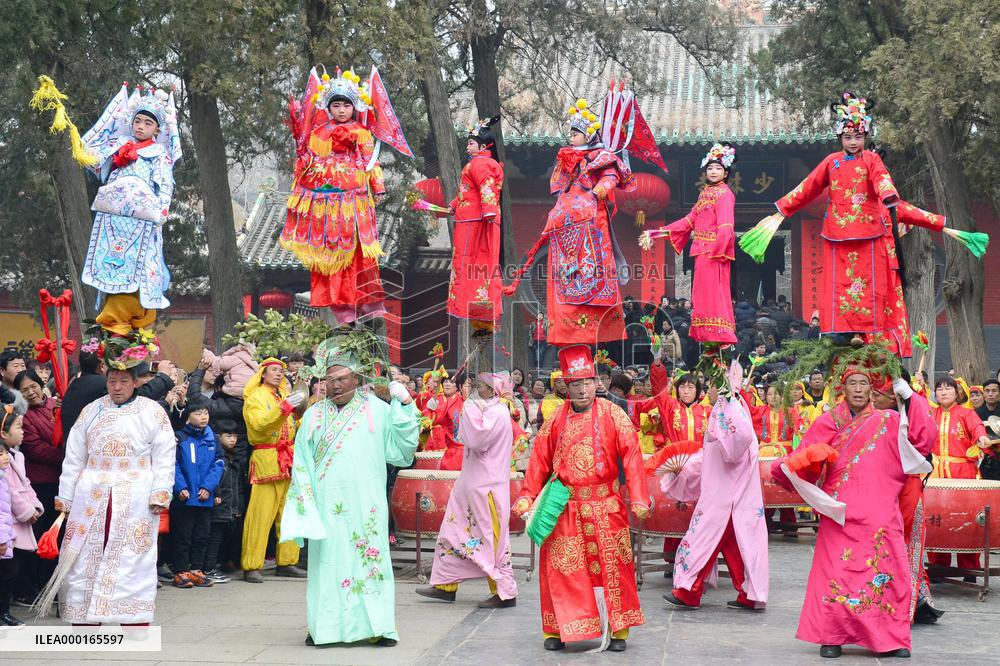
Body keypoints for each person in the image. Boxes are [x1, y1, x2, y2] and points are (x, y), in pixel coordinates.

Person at [771, 364, 935, 658]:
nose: (858, 389)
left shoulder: (889, 419)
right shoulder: (828, 420)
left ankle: (890, 638)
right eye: (852, 384)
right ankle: (831, 636)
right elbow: (804, 454)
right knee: (837, 570)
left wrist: (910, 398)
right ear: (842, 389)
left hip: (881, 509)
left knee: (885, 569)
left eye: (864, 383)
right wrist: (790, 465)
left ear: (872, 390)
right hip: (840, 510)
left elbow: (922, 440)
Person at [280, 338, 419, 647]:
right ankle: (323, 627)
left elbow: (401, 452)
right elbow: (300, 462)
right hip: (327, 506)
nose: (336, 385)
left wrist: (406, 405)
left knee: (370, 562)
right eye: (330, 380)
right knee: (327, 567)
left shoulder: (379, 410)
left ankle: (378, 627)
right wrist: (305, 504)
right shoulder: (314, 416)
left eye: (342, 379)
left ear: (357, 379)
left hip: (366, 505)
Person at [513, 346, 649, 653]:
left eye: (588, 382)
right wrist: (527, 496)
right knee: (561, 570)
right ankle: (556, 628)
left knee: (613, 568)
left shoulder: (614, 414)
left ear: (597, 383)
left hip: (606, 505)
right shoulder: (555, 419)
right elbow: (539, 461)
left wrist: (639, 497)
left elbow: (632, 456)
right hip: (565, 507)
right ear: (566, 386)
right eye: (576, 384)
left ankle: (619, 630)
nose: (583, 389)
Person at [41, 363, 176, 624]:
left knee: (132, 555)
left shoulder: (152, 412)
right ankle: (85, 616)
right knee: (83, 553)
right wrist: (66, 495)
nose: (117, 387)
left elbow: (164, 454)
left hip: (135, 492)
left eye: (123, 381)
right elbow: (74, 457)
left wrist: (161, 490)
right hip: (92, 490)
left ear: (135, 382)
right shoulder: (91, 411)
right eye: (112, 381)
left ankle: (133, 617)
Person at [282, 68, 393, 325]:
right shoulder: (318, 134)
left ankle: (367, 304)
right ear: (328, 108)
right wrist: (301, 153)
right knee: (330, 257)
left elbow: (370, 162)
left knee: (358, 256)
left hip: (354, 202)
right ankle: (342, 310)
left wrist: (378, 187)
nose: (342, 110)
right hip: (325, 204)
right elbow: (308, 162)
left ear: (354, 107)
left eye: (346, 105)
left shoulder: (362, 133)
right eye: (336, 105)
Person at [663, 367, 768, 611]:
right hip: (730, 497)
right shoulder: (731, 410)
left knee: (704, 542)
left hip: (726, 498)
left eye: (710, 384)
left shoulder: (729, 412)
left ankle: (688, 592)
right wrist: (685, 470)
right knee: (734, 548)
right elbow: (710, 456)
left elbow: (730, 451)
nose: (706, 389)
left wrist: (685, 472)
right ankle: (748, 594)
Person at [80, 83, 180, 335]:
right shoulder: (120, 145)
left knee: (141, 266)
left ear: (157, 129)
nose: (141, 126)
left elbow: (165, 185)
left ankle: (132, 321)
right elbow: (98, 170)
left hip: (143, 222)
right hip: (113, 221)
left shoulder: (159, 154)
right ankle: (110, 320)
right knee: (112, 264)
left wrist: (162, 211)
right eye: (137, 121)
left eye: (148, 123)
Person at [537, 99, 634, 347]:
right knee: (566, 276)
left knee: (593, 272)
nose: (571, 137)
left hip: (592, 222)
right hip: (567, 225)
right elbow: (559, 189)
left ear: (589, 136)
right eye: (570, 132)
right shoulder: (566, 159)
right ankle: (567, 328)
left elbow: (611, 176)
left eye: (576, 133)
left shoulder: (601, 157)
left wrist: (597, 191)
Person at [417, 372, 517, 607]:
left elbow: (476, 440)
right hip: (470, 484)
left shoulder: (497, 412)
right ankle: (445, 584)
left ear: (493, 391)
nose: (473, 389)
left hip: (487, 488)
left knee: (490, 539)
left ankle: (504, 591)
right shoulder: (486, 408)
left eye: (479, 386)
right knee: (453, 531)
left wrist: (469, 408)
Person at [646, 143, 738, 344]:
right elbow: (689, 220)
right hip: (701, 251)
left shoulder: (724, 194)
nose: (713, 171)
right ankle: (706, 335)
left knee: (713, 293)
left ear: (726, 172)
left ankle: (717, 336)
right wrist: (659, 232)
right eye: (710, 168)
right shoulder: (705, 194)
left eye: (718, 168)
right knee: (701, 294)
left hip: (714, 252)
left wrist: (719, 250)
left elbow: (726, 226)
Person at [871, 372, 944, 625]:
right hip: (877, 488)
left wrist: (912, 399)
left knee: (909, 546)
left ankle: (909, 603)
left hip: (907, 487)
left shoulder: (909, 411)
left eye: (880, 391)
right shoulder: (868, 415)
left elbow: (925, 438)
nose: (873, 395)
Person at [241, 359, 305, 583]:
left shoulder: (282, 395)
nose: (279, 374)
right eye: (274, 371)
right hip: (266, 459)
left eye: (281, 371)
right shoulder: (256, 397)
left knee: (288, 514)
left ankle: (287, 562)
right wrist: (284, 408)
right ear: (263, 373)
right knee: (260, 516)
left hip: (287, 459)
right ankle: (252, 565)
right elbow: (260, 425)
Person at [927, 376, 991, 575]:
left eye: (948, 388)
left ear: (957, 393)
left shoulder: (967, 413)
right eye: (939, 389)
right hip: (937, 474)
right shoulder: (930, 414)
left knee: (967, 519)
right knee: (937, 519)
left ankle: (969, 568)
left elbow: (977, 427)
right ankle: (939, 567)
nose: (943, 392)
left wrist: (981, 436)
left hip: (963, 474)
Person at [446, 116, 504, 332]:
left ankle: (475, 303)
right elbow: (467, 192)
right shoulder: (478, 164)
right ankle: (472, 303)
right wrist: (453, 205)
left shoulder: (481, 164)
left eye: (471, 143)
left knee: (471, 261)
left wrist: (489, 211)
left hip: (475, 222)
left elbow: (486, 187)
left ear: (483, 146)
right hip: (470, 218)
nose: (467, 146)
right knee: (466, 262)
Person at [170, 397, 224, 589]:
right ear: (187, 417)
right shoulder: (179, 437)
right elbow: (173, 464)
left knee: (202, 535)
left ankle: (197, 569)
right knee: (182, 535)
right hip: (184, 497)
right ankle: (180, 571)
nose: (203, 417)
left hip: (204, 497)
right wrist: (181, 487)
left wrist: (208, 487)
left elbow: (218, 464)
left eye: (206, 413)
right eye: (198, 413)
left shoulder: (212, 438)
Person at [1, 405, 43, 624]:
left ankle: (4, 610)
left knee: (12, 569)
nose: (23, 431)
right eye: (19, 427)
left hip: (15, 521)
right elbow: (9, 491)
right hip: (9, 522)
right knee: (6, 570)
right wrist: (26, 511)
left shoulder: (17, 456)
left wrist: (34, 505)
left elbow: (25, 486)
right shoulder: (3, 460)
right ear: (3, 433)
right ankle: (2, 611)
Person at [0, 441, 16, 626]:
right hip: (2, 538)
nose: (5, 457)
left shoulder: (3, 478)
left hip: (6, 535)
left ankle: (4, 613)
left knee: (7, 577)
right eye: (0, 454)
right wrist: (3, 539)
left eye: (5, 453)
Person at [436, 375, 466, 471]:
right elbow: (434, 419)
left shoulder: (481, 404)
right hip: (454, 453)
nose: (448, 384)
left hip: (473, 454)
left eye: (451, 382)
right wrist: (430, 410)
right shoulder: (444, 401)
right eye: (445, 381)